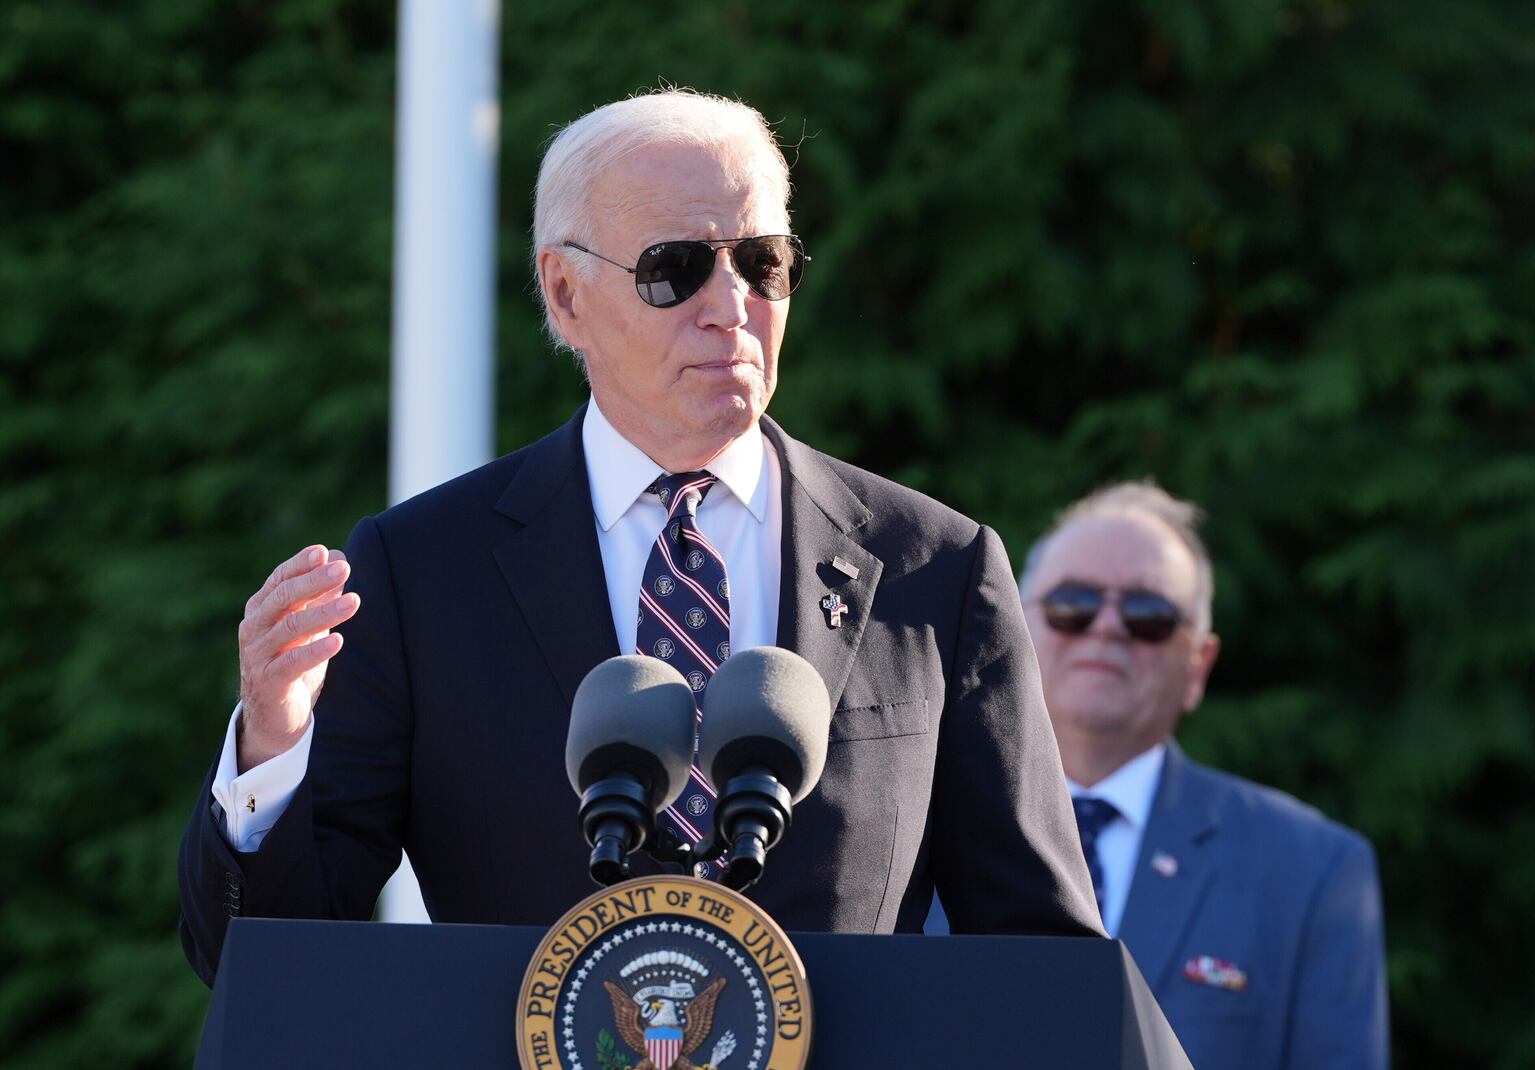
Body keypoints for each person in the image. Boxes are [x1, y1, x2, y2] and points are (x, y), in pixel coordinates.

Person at [177, 89, 1104, 986]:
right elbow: (264, 961)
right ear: (566, 293)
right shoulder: (423, 573)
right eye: (676, 267)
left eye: (762, 262)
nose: (730, 304)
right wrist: (272, 746)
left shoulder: (932, 566)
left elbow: (1042, 959)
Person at [1010, 481, 1388, 1068]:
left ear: (1198, 666)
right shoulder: (916, 841)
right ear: (1017, 632)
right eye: (1073, 605)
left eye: (1148, 615)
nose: (1106, 627)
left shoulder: (1312, 872)